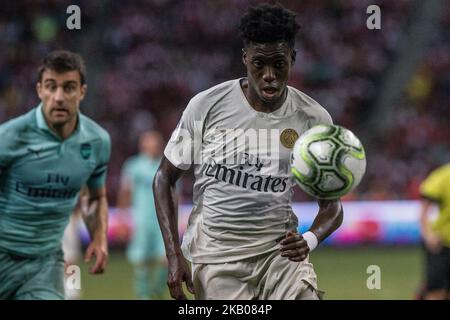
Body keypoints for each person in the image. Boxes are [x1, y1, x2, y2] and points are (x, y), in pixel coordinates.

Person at [153, 3, 343, 300]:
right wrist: (174, 254)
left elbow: (332, 206)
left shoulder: (313, 119)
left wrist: (310, 238)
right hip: (217, 257)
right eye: (259, 64)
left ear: (292, 59)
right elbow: (164, 178)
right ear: (245, 58)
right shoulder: (206, 106)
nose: (269, 75)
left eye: (278, 64)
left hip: (280, 256)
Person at [0, 50, 111, 300]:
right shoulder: (9, 137)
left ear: (82, 91)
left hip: (46, 262)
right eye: (51, 87)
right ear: (40, 90)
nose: (59, 97)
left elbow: (94, 197)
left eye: (69, 87)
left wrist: (99, 235)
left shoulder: (97, 141)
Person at [117, 131, 168, 299]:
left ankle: (157, 289)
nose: (153, 147)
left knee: (166, 258)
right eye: (149, 143)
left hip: (163, 219)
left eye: (155, 144)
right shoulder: (133, 166)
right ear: (143, 145)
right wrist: (122, 218)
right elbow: (125, 193)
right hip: (141, 219)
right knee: (141, 259)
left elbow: (175, 194)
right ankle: (143, 294)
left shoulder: (167, 165)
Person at [419, 162, 450, 300]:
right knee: (436, 292)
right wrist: (428, 234)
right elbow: (424, 209)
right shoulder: (443, 175)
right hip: (443, 244)